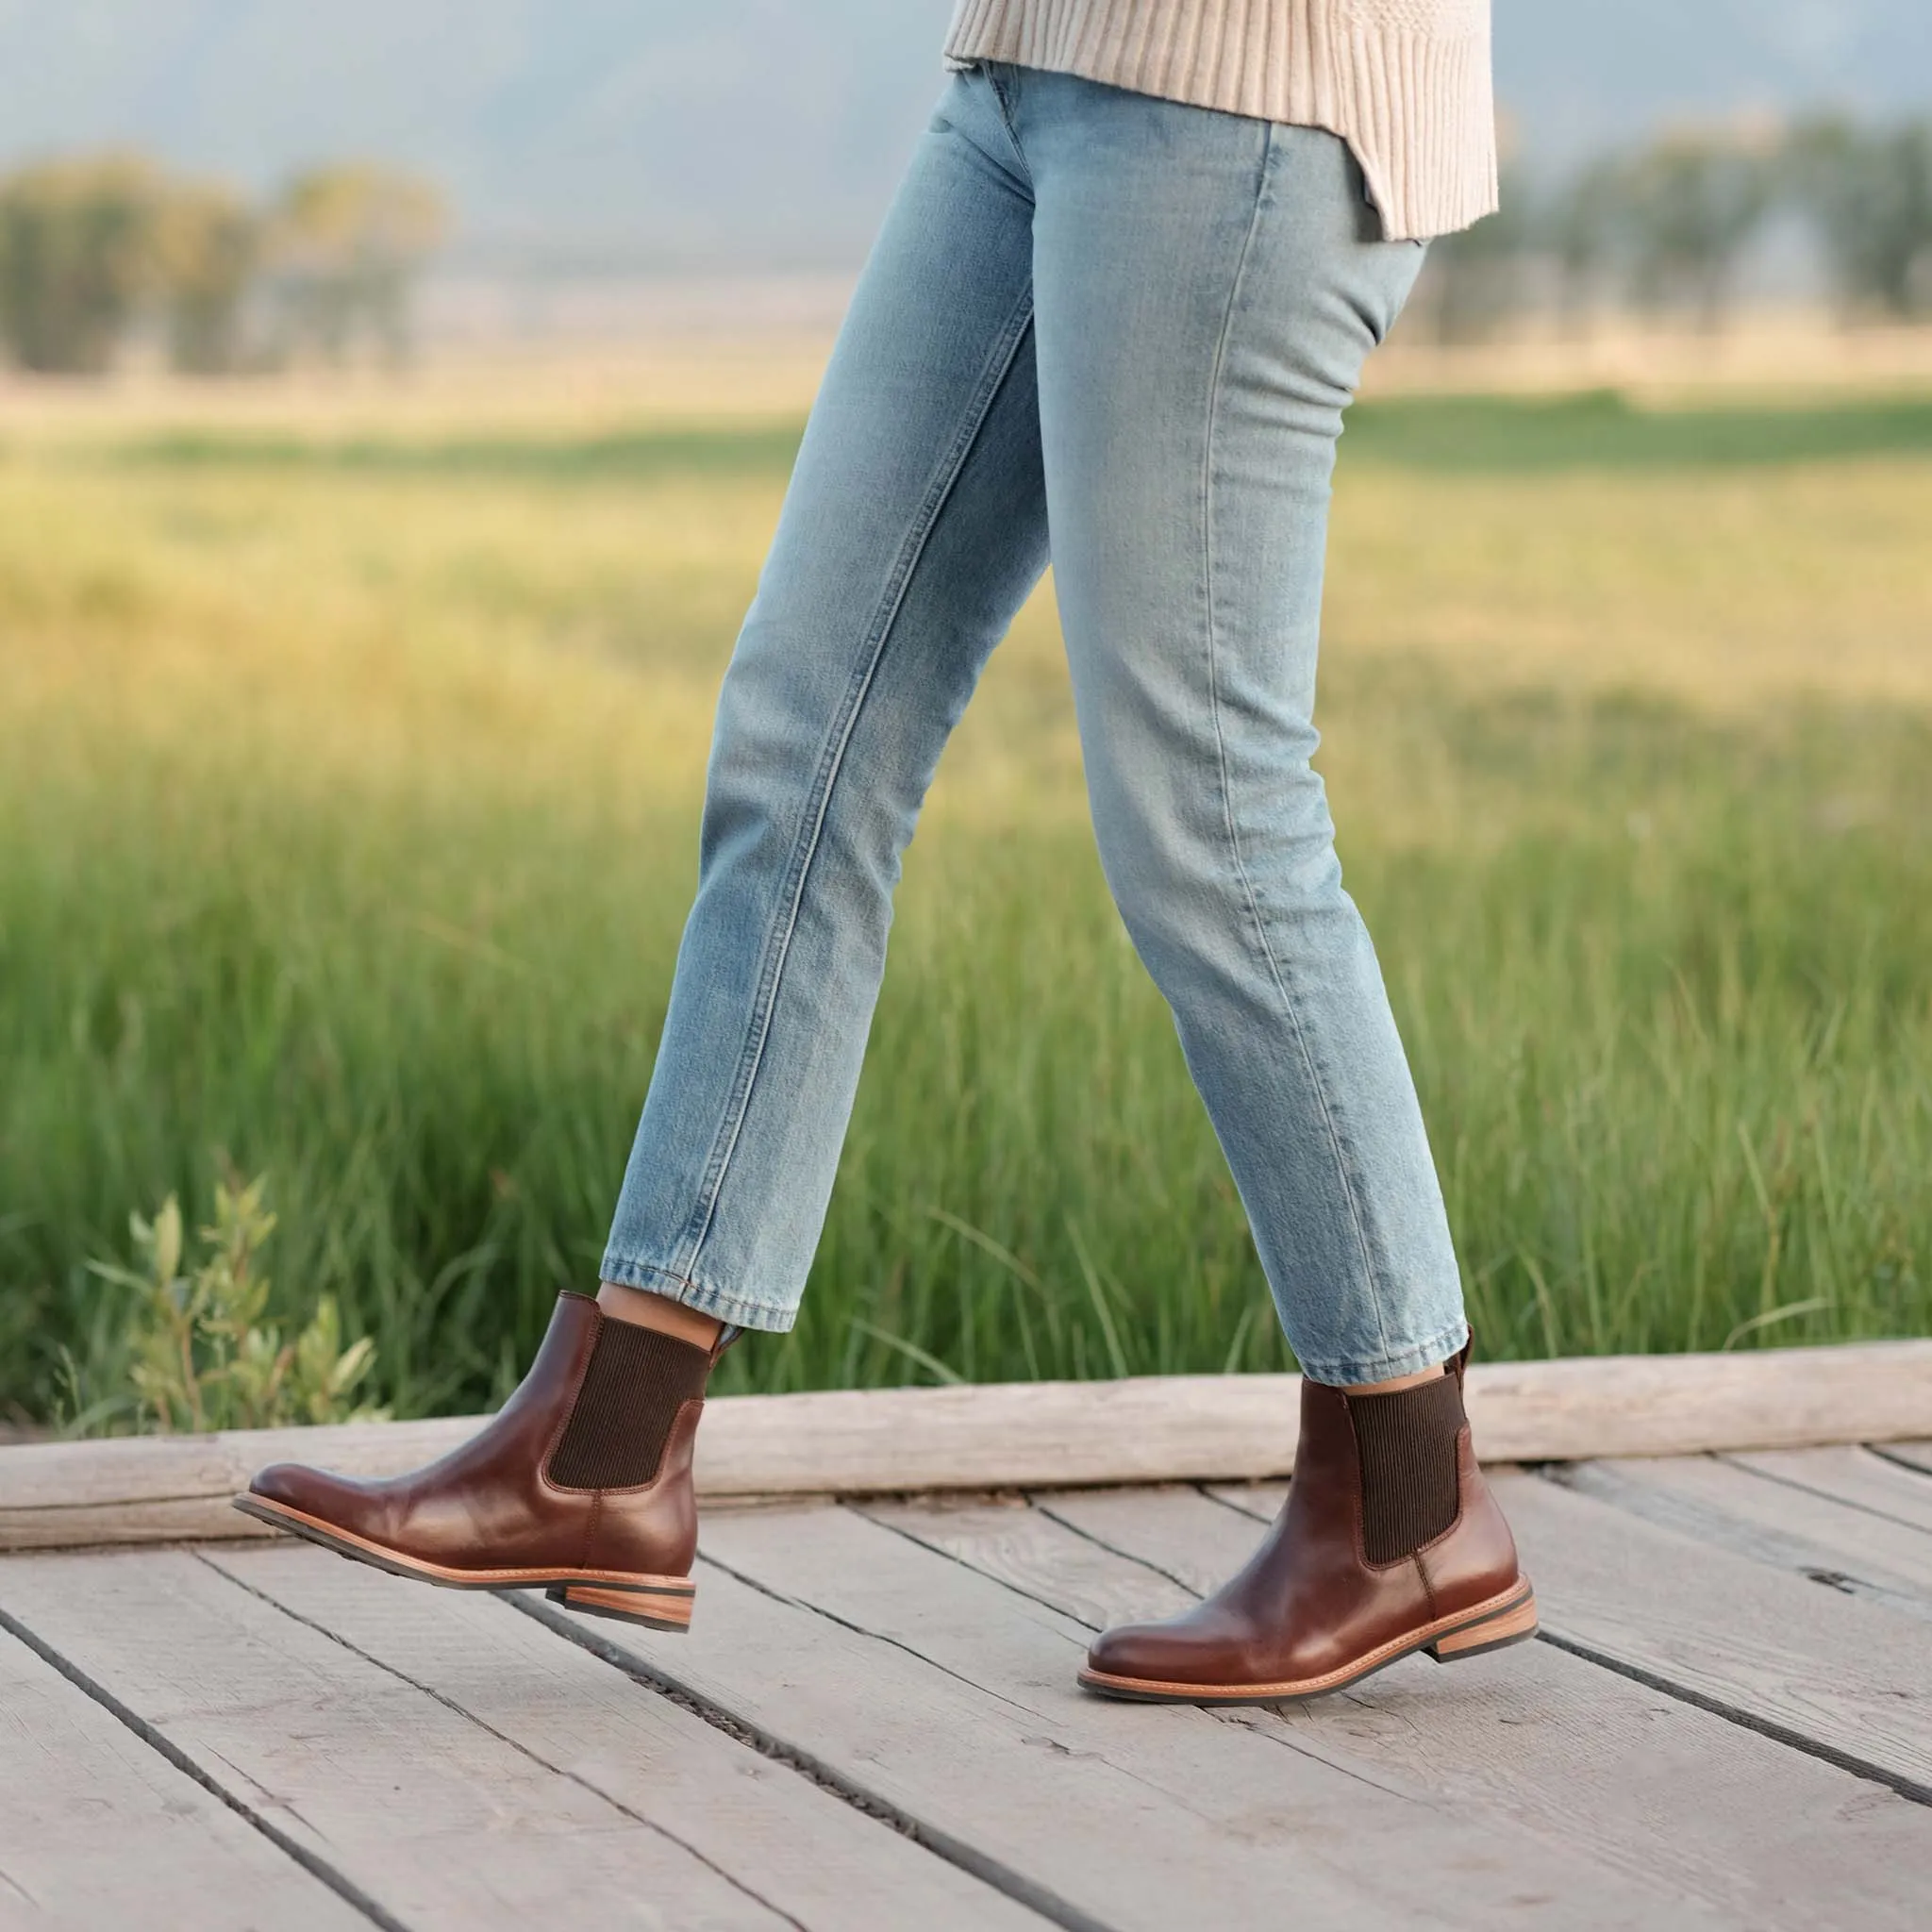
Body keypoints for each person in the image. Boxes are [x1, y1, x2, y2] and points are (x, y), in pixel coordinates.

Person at [239, 0, 1537, 1701]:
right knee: (807, 733)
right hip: (1028, 70)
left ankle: (1409, 1497)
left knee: (1210, 813)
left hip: (1244, 99)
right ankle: (611, 1457)